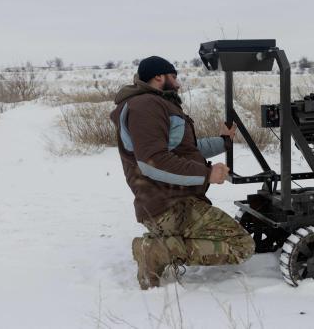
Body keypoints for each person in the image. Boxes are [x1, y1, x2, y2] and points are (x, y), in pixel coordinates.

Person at [109, 56, 255, 289]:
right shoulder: (146, 106)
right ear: (159, 77)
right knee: (241, 245)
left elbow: (182, 150)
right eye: (174, 77)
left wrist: (223, 142)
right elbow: (153, 162)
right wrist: (206, 174)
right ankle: (155, 252)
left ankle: (163, 245)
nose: (178, 83)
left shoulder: (155, 104)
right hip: (168, 205)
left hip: (172, 199)